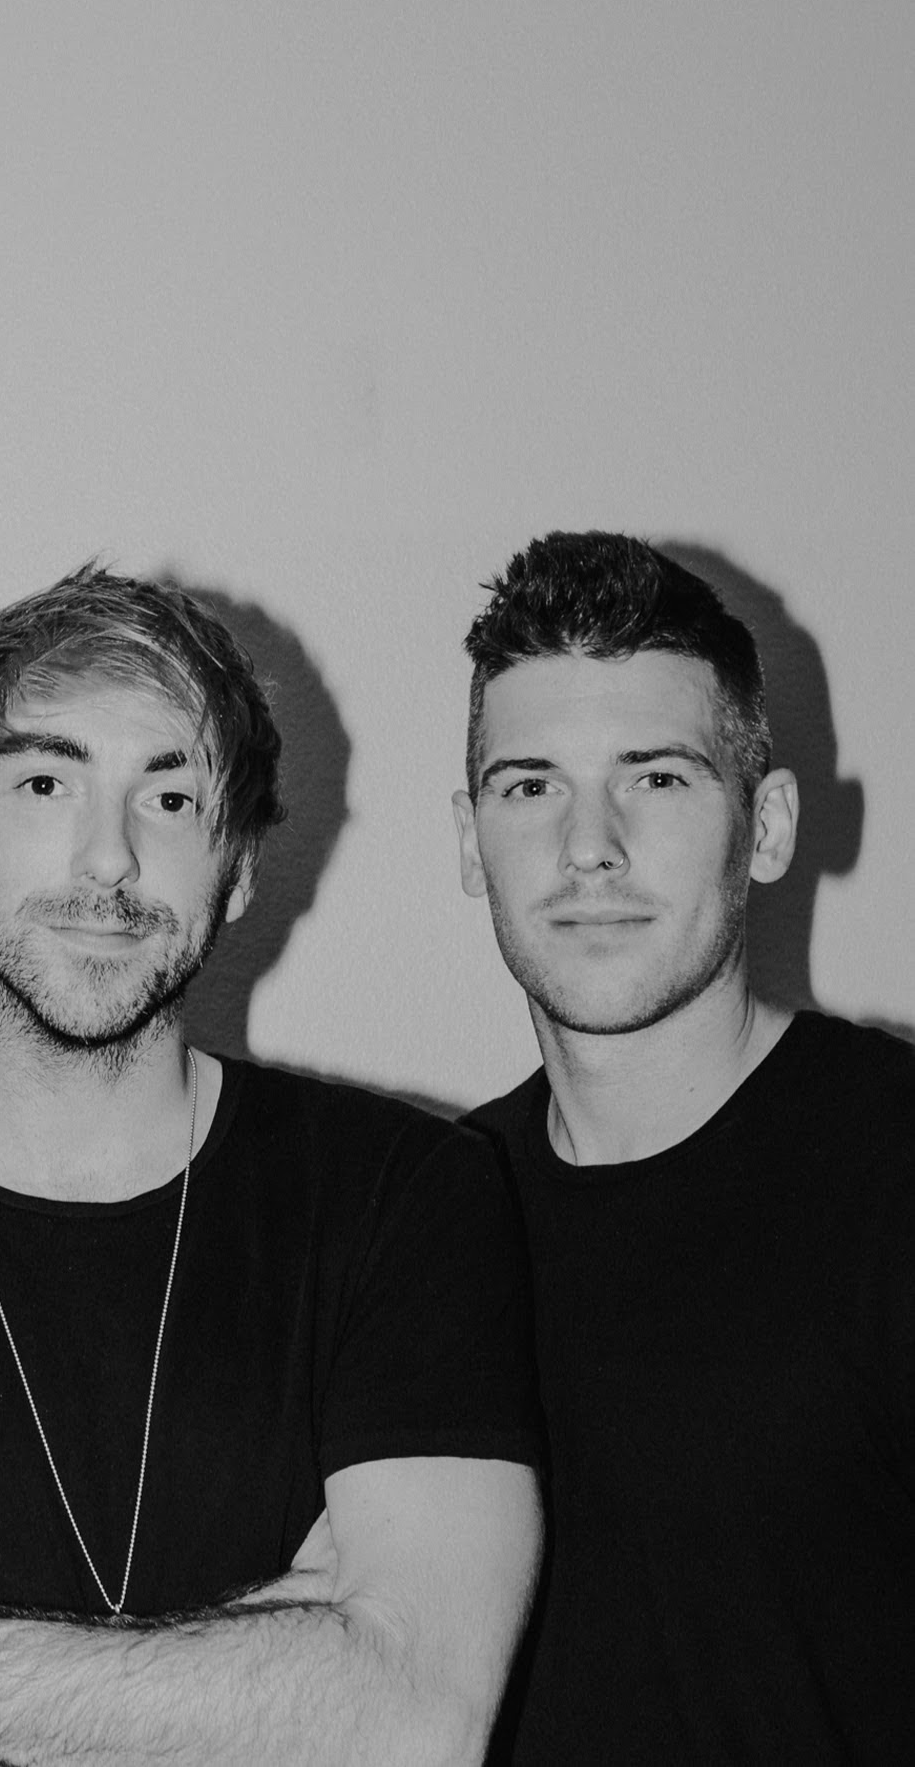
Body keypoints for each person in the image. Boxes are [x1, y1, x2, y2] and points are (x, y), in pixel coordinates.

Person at [0, 566, 543, 1766]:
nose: (110, 859)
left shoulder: (409, 1196)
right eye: (45, 783)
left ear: (236, 866)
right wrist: (288, 1651)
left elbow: (415, 1719)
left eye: (169, 798)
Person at [453, 530, 915, 1764]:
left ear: (764, 826)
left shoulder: (891, 1165)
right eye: (528, 786)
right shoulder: (428, 1216)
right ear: (467, 840)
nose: (586, 845)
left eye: (654, 778)